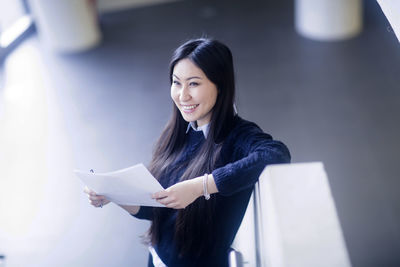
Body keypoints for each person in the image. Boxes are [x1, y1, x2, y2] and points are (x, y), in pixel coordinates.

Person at [85, 38, 291, 267]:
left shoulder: (238, 135)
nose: (183, 96)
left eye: (193, 84)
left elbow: (276, 154)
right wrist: (112, 194)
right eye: (176, 83)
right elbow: (156, 210)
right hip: (157, 258)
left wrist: (199, 187)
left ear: (220, 85)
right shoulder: (181, 130)